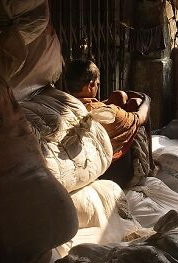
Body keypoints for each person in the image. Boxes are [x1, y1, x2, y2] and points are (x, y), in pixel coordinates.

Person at [64, 58, 152, 187]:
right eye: (97, 84)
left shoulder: (61, 105)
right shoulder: (109, 113)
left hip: (85, 167)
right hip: (115, 175)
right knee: (137, 116)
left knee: (119, 96)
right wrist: (146, 99)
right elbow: (140, 117)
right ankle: (151, 167)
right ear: (90, 85)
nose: (98, 87)